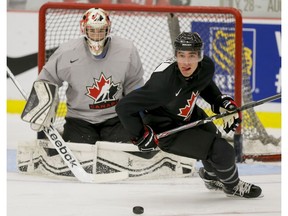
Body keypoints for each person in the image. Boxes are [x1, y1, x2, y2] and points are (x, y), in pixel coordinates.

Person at [116, 32, 262, 198]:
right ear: (175, 55)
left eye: (191, 55)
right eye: (181, 55)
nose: (186, 62)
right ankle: (232, 186)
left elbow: (203, 84)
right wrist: (140, 135)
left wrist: (221, 102)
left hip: (189, 115)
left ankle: (211, 177)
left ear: (200, 56)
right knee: (223, 151)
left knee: (213, 136)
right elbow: (124, 107)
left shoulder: (206, 66)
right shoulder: (162, 85)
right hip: (167, 129)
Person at [36, 8, 144, 144]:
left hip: (116, 118)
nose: (96, 35)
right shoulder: (67, 52)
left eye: (100, 30)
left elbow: (134, 84)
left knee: (120, 155)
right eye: (92, 30)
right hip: (79, 120)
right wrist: (44, 108)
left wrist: (140, 116)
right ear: (84, 29)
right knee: (80, 154)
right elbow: (47, 80)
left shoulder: (127, 50)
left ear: (108, 29)